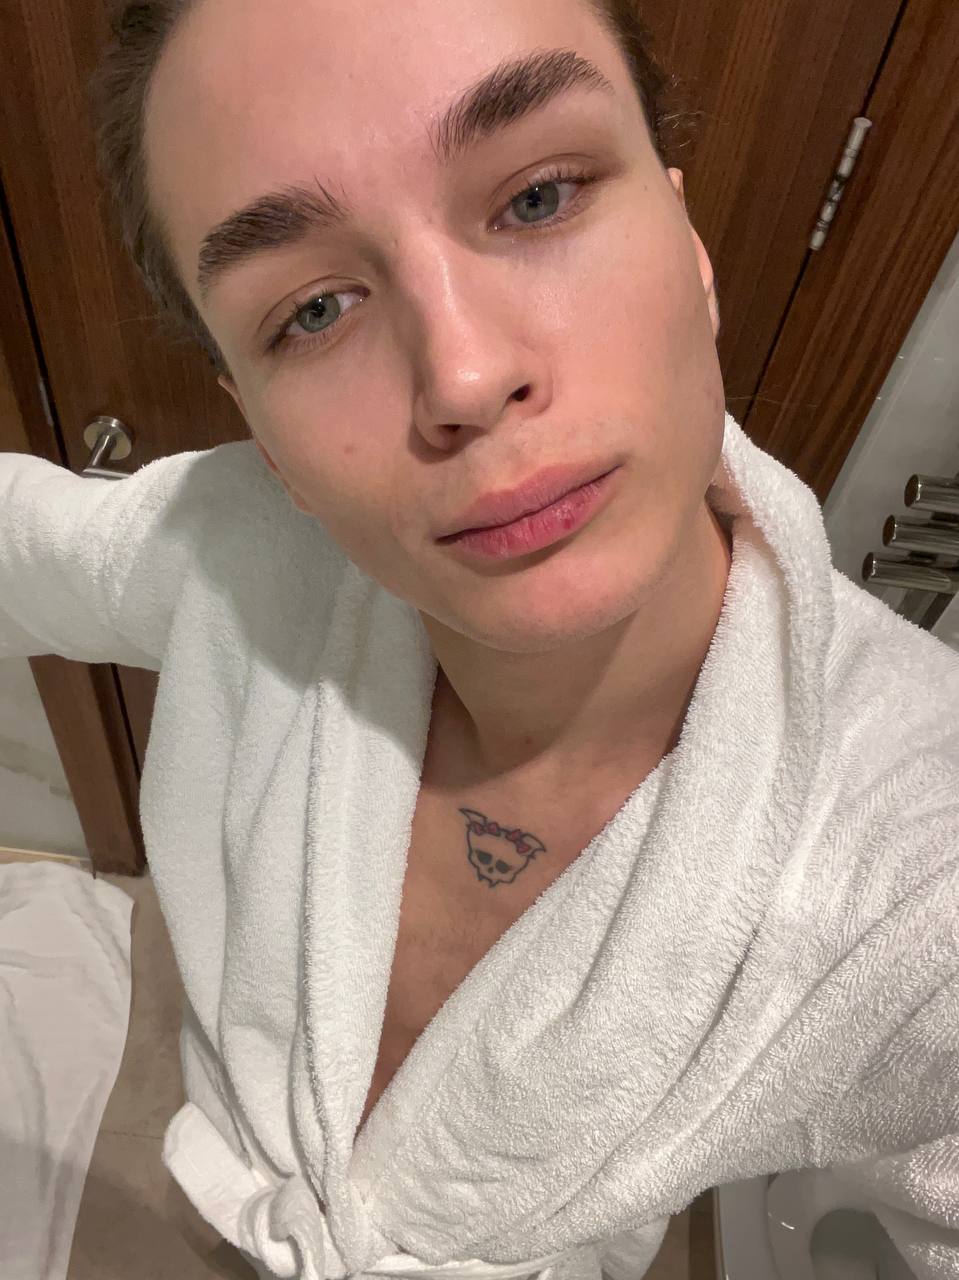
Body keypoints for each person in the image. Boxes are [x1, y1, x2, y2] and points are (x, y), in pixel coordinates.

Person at [2, 2, 957, 1278]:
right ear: (264, 437)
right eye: (314, 308)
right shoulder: (231, 557)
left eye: (536, 198)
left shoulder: (918, 870)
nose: (460, 376)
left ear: (689, 248)